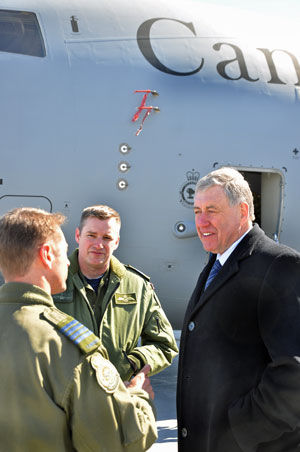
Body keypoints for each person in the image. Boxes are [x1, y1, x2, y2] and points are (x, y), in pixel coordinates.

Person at [0, 207, 157, 451]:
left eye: (106, 238)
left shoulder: (136, 285)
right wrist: (138, 397)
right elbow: (118, 441)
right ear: (47, 255)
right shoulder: (70, 349)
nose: (68, 261)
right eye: (64, 253)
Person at [177, 167, 300, 452]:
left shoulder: (278, 264)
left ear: (243, 211)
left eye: (212, 210)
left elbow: (294, 373)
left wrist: (238, 432)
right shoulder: (217, 264)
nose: (202, 221)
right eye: (197, 211)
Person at [53, 205, 178, 381]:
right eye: (91, 235)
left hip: (116, 396)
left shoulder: (137, 286)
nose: (98, 244)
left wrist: (134, 362)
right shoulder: (52, 281)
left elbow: (164, 345)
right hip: (63, 397)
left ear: (117, 242)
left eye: (107, 238)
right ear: (77, 235)